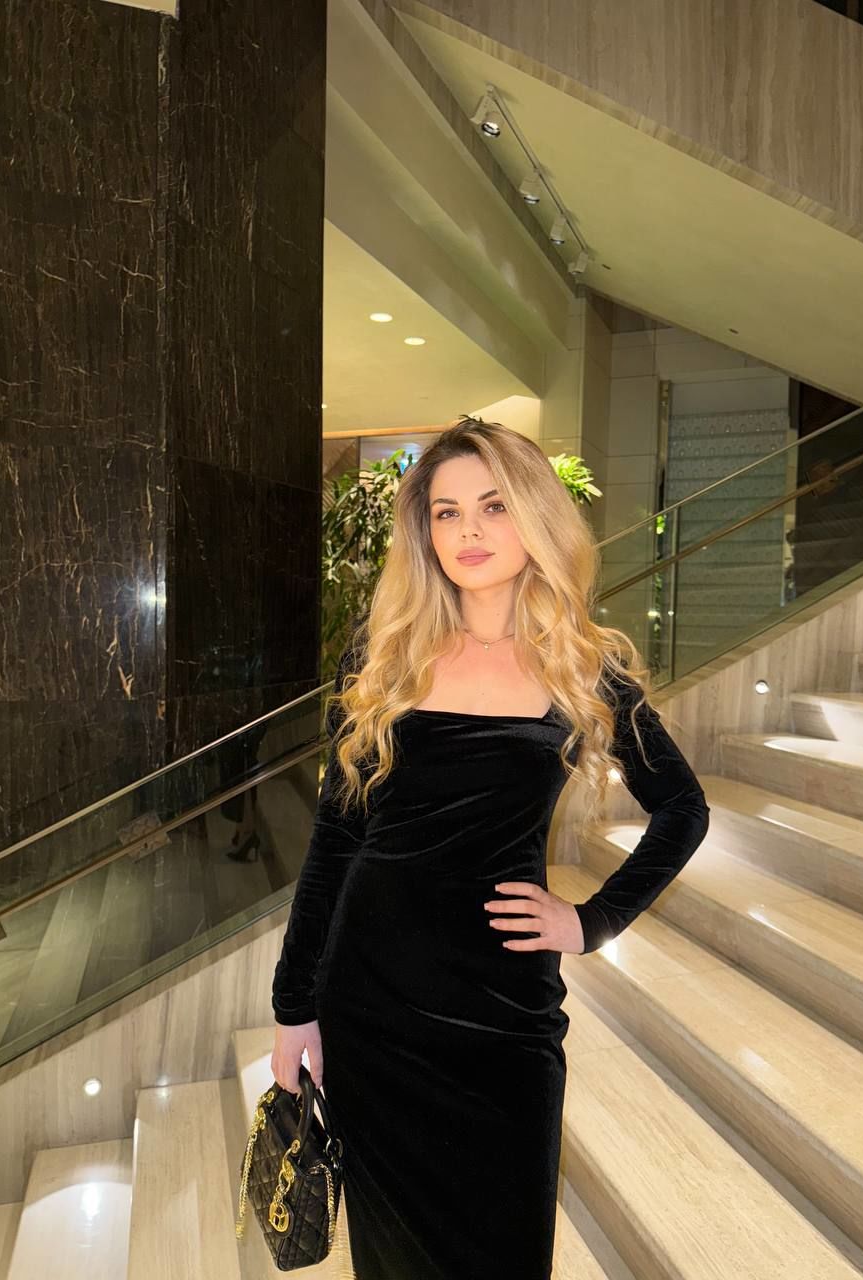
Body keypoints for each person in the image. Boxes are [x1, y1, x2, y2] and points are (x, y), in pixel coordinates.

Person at [270, 417, 710, 1280]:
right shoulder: (383, 657)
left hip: (505, 1013)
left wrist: (591, 921)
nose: (468, 530)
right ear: (424, 531)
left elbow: (682, 808)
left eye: (494, 506)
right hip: (374, 1008)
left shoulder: (583, 666)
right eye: (447, 512)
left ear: (534, 515)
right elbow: (337, 837)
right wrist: (294, 1006)